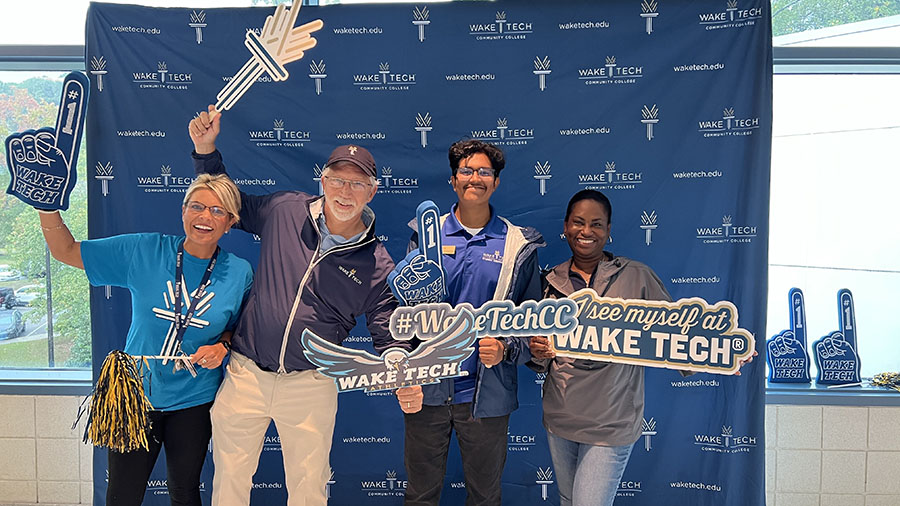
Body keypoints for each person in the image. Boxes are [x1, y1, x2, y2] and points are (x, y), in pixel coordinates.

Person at [188, 105, 411, 506]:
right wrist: (206, 152)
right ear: (322, 181)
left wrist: (403, 374)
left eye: (358, 185)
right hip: (246, 374)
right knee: (229, 485)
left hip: (312, 385)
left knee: (308, 492)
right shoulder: (285, 209)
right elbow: (230, 203)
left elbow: (387, 328)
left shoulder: (377, 264)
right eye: (338, 181)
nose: (346, 192)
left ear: (373, 191)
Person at [528, 189, 753, 506]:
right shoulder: (549, 283)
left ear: (608, 231)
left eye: (596, 224)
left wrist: (721, 354)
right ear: (565, 227)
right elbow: (540, 359)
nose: (586, 231)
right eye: (578, 222)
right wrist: (537, 353)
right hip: (561, 416)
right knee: (568, 500)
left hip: (612, 419)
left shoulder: (636, 276)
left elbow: (677, 338)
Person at [38, 174, 252, 506]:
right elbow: (65, 250)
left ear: (231, 222)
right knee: (123, 494)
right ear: (183, 211)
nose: (205, 217)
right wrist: (46, 204)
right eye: (196, 206)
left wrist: (223, 346)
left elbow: (241, 328)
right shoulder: (145, 250)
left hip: (195, 399)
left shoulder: (239, 272)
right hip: (134, 395)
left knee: (185, 490)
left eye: (217, 210)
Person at [395, 139, 544, 506]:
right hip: (427, 393)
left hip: (486, 398)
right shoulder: (425, 236)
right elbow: (403, 316)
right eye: (466, 170)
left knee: (484, 497)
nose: (474, 178)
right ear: (453, 179)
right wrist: (403, 374)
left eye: (484, 172)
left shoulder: (516, 244)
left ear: (496, 182)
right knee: (420, 495)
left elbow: (534, 323)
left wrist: (507, 348)